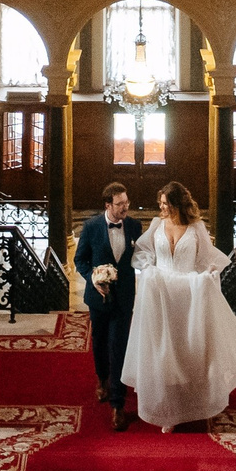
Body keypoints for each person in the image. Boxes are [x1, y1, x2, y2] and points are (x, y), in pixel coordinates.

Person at [119, 180, 236, 430]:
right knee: (164, 351)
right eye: (160, 204)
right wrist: (148, 270)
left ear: (177, 204)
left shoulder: (196, 228)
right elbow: (142, 253)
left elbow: (206, 259)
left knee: (191, 351)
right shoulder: (157, 225)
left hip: (188, 297)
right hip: (161, 295)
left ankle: (200, 404)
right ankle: (168, 411)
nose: (161, 208)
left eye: (165, 204)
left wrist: (209, 275)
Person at [73, 182, 141, 432]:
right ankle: (101, 378)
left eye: (127, 202)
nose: (125, 207)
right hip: (98, 299)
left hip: (124, 299)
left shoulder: (134, 226)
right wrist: (93, 277)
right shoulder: (91, 227)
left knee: (119, 348)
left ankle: (117, 405)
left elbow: (141, 256)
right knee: (100, 342)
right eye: (120, 204)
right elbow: (80, 259)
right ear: (108, 205)